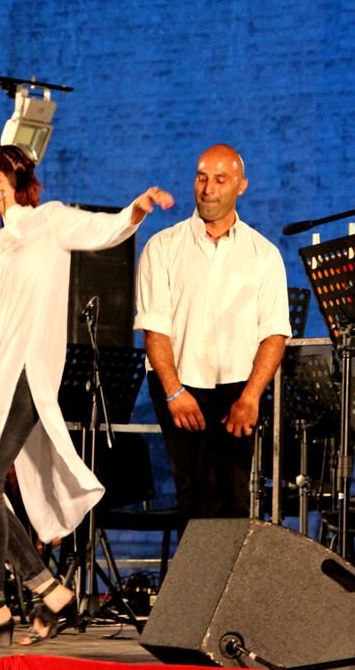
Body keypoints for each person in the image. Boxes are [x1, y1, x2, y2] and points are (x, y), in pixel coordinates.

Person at [0, 144, 173, 647]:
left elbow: (105, 230)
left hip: (26, 376)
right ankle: (49, 591)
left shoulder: (49, 223)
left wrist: (138, 207)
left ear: (2, 184)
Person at [135, 143, 291, 523]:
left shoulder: (264, 254)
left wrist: (251, 397)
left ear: (241, 185)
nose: (208, 189)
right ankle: (196, 567)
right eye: (202, 178)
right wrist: (174, 392)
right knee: (194, 502)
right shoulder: (163, 247)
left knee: (235, 501)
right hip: (179, 388)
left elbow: (274, 334)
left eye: (220, 180)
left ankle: (231, 568)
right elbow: (155, 330)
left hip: (237, 390)